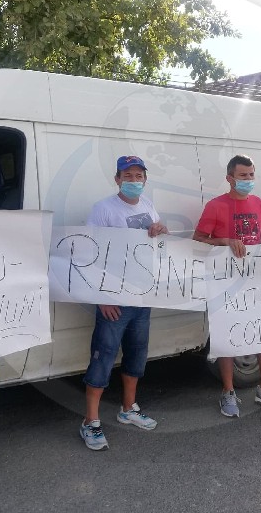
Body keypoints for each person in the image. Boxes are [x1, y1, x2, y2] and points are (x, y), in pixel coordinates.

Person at [193, 154, 261, 417]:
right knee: (228, 337)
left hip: (258, 280)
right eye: (243, 175)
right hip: (227, 283)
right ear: (230, 178)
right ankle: (228, 391)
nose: (248, 179)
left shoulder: (257, 202)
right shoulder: (215, 206)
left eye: (251, 174)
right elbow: (198, 238)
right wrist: (225, 241)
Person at [79, 156, 169, 450]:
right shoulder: (103, 209)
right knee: (103, 356)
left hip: (141, 296)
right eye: (127, 176)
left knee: (137, 353)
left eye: (138, 176)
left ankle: (128, 409)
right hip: (113, 299)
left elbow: (155, 244)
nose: (134, 181)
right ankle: (90, 421)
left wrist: (160, 230)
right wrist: (101, 297)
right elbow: (89, 252)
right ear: (117, 179)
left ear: (145, 180)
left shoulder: (148, 206)